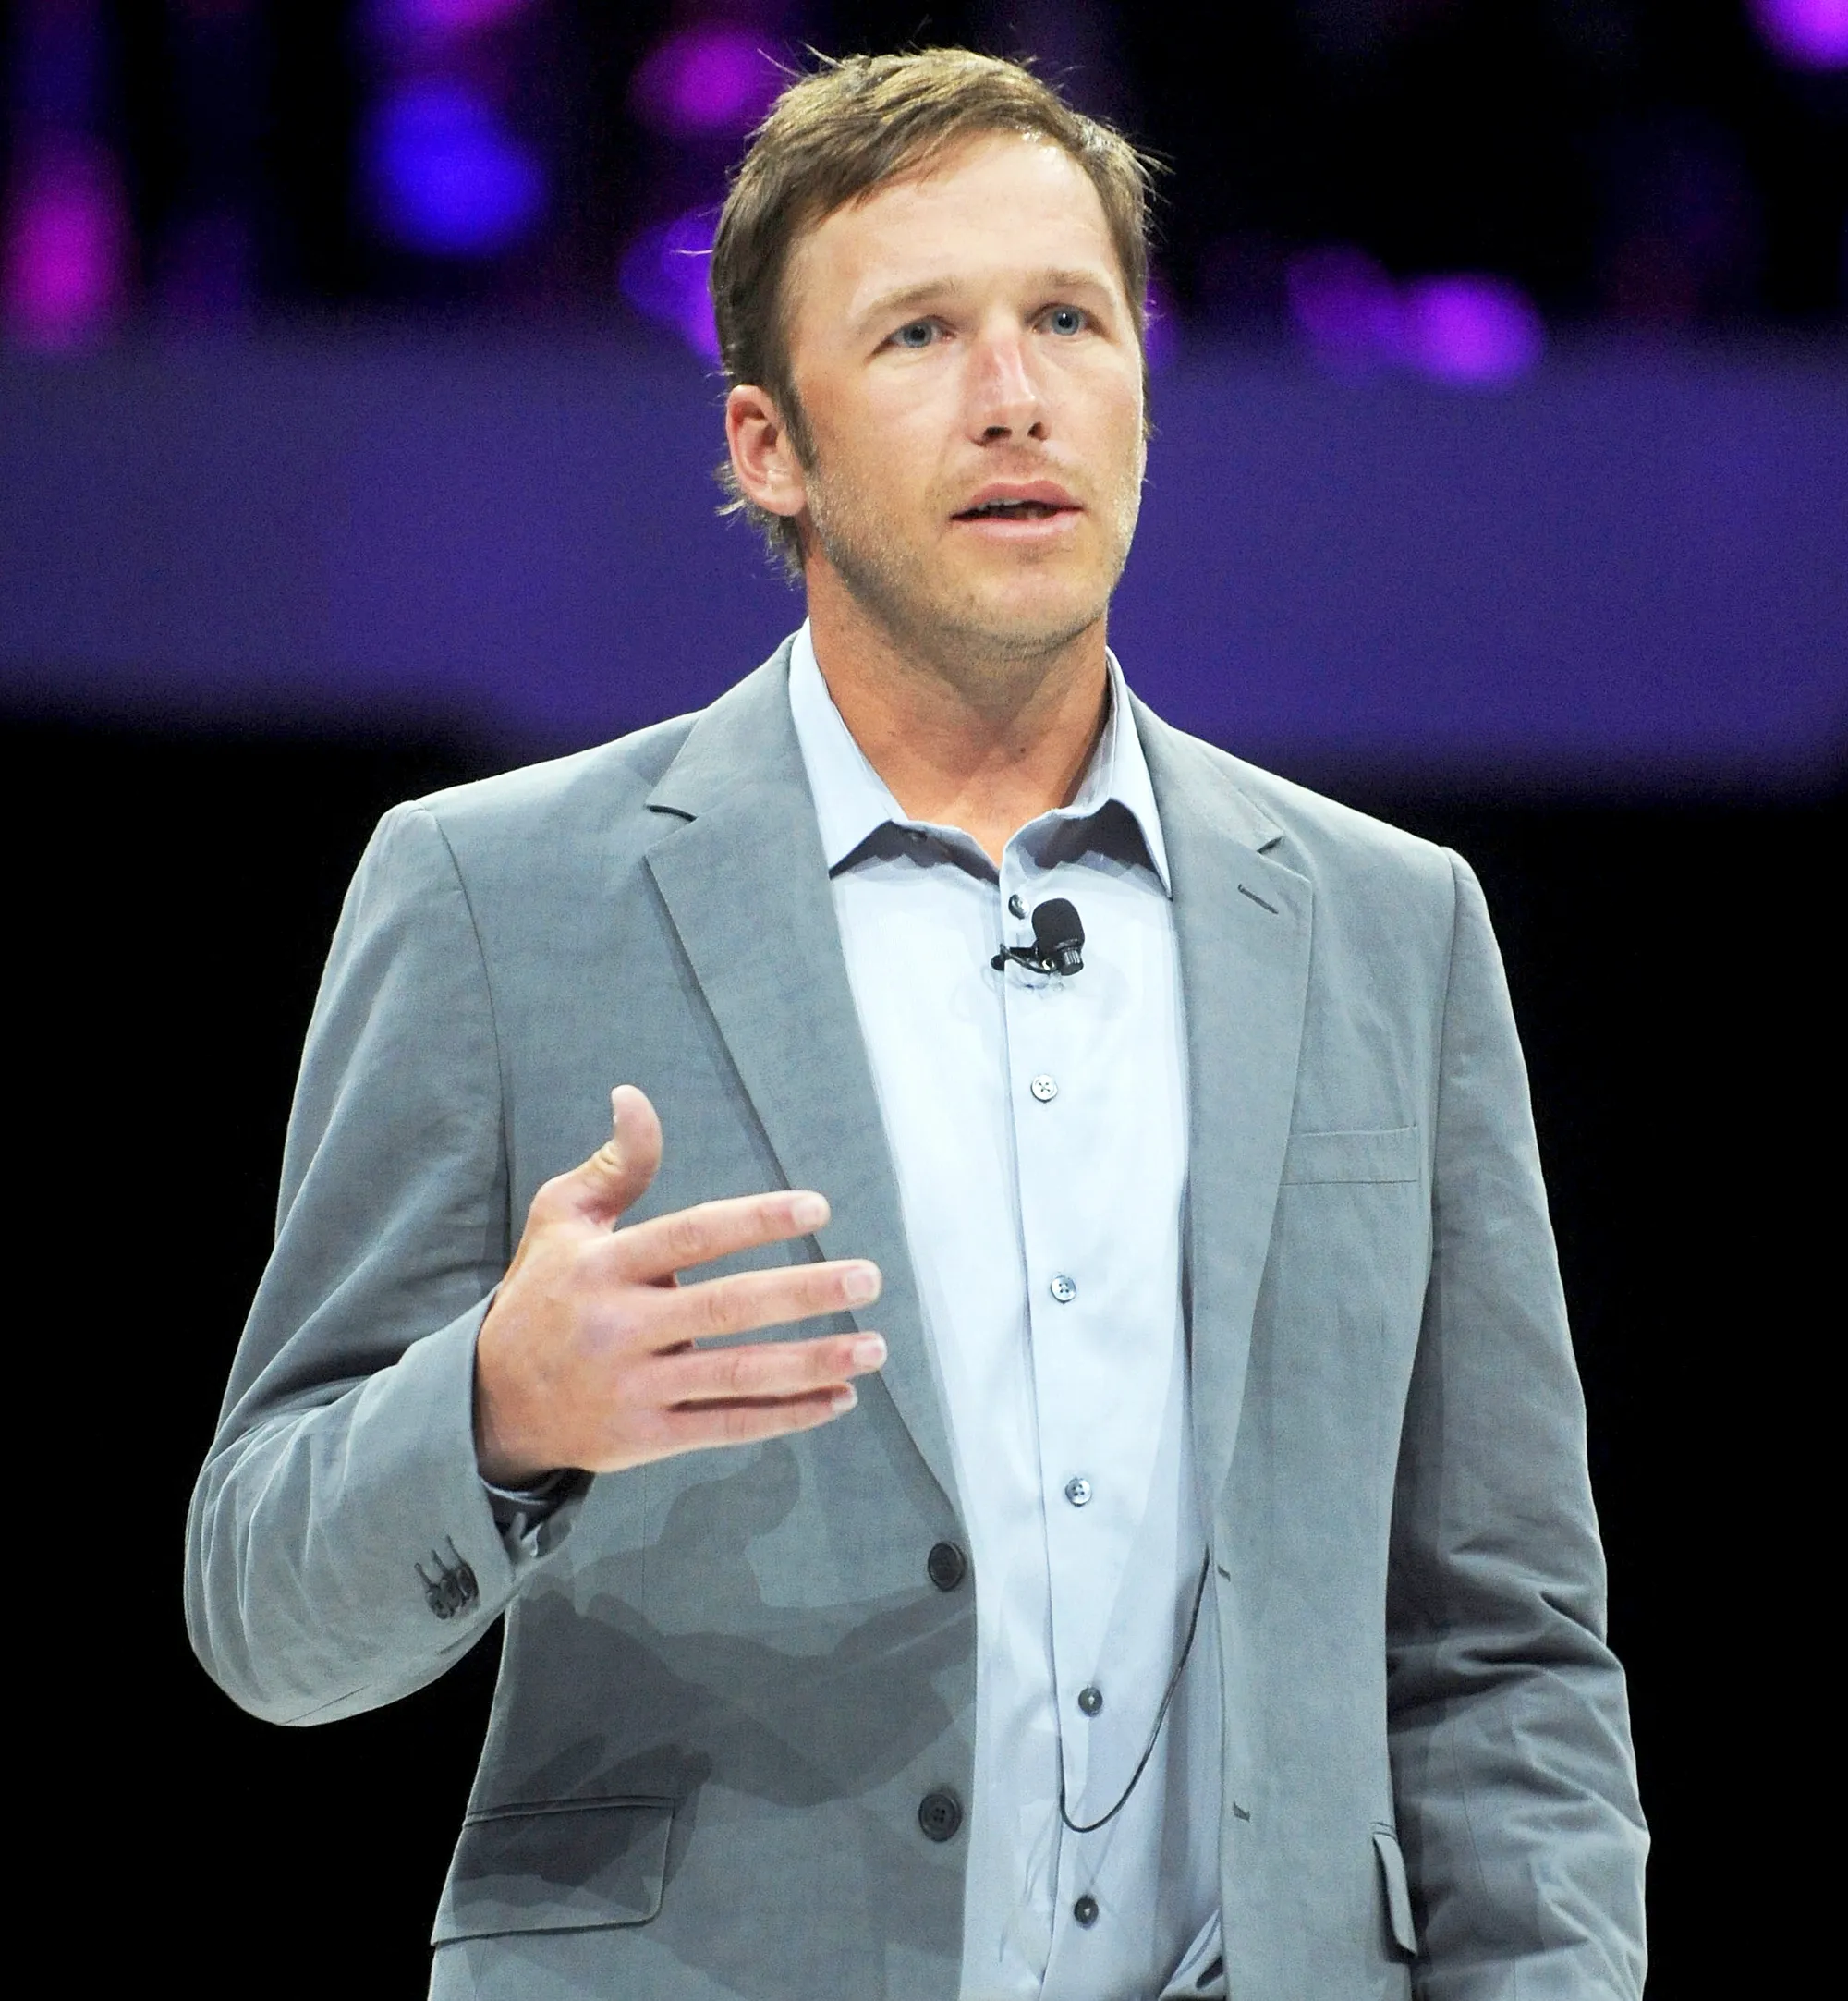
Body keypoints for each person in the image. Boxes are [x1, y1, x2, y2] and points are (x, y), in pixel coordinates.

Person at [186, 48, 1647, 2001]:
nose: (1015, 393)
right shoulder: (495, 894)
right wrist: (496, 1410)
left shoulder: (1390, 924)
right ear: (767, 446)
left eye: (1069, 319)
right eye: (920, 334)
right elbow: (263, 1604)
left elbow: (1505, 1651)